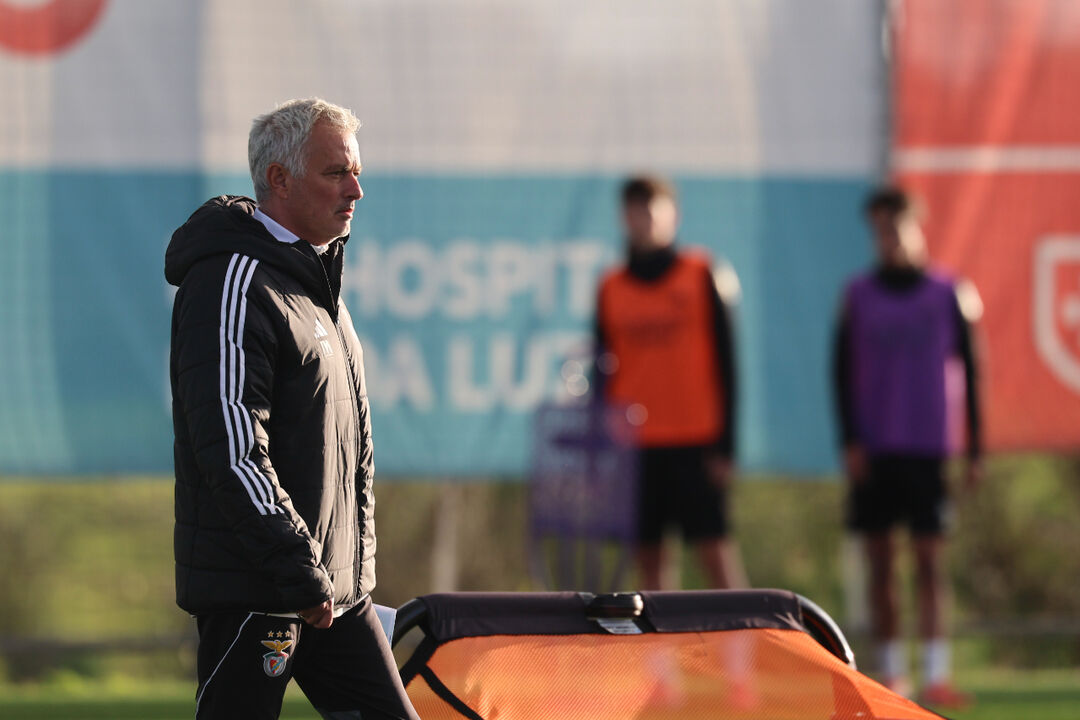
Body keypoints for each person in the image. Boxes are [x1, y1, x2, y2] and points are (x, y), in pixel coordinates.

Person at [165, 98, 419, 720]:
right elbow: (230, 445)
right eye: (336, 172)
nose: (356, 189)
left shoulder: (316, 281)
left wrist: (346, 573)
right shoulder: (232, 278)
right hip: (261, 588)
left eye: (355, 171)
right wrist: (298, 569)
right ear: (279, 179)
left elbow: (350, 449)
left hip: (334, 594)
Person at [833, 185, 983, 709]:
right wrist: (850, 440)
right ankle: (893, 671)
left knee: (929, 562)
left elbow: (972, 368)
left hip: (927, 448)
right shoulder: (858, 295)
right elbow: (840, 372)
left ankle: (937, 672)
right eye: (880, 229)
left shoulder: (948, 293)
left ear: (916, 227)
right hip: (876, 449)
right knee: (880, 564)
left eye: (897, 227)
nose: (890, 238)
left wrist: (976, 448)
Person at [593, 175, 747, 590]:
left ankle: (740, 652)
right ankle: (659, 657)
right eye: (634, 209)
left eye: (651, 208)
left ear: (672, 215)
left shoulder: (702, 273)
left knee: (715, 554)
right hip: (637, 443)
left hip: (697, 439)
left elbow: (728, 361)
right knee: (650, 562)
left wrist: (726, 444)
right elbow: (601, 367)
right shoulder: (610, 286)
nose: (643, 219)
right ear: (623, 217)